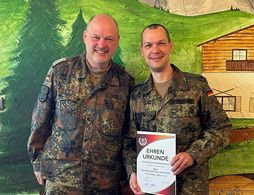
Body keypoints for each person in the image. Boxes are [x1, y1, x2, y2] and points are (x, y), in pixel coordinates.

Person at [27, 14, 135, 195]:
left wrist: (130, 173)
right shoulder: (61, 72)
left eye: (109, 39)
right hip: (62, 179)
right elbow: (40, 119)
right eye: (96, 37)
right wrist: (37, 162)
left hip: (105, 183)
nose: (102, 44)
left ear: (117, 41)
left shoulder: (125, 82)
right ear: (85, 37)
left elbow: (128, 135)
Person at [128, 24, 232, 195]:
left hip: (190, 189)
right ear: (142, 51)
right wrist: (132, 172)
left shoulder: (196, 86)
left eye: (161, 43)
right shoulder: (137, 95)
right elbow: (129, 142)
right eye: (149, 45)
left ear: (170, 46)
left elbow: (222, 128)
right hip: (152, 189)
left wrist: (193, 154)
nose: (155, 50)